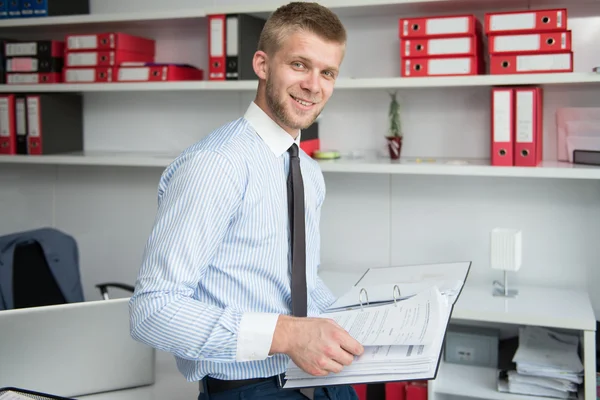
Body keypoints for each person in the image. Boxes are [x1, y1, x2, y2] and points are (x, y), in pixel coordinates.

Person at [128, 2, 364, 399]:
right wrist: (288, 336)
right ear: (261, 64)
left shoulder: (307, 171)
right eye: (299, 65)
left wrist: (363, 319)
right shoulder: (215, 165)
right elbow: (152, 311)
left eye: (327, 72)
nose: (313, 85)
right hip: (249, 389)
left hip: (319, 379)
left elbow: (294, 282)